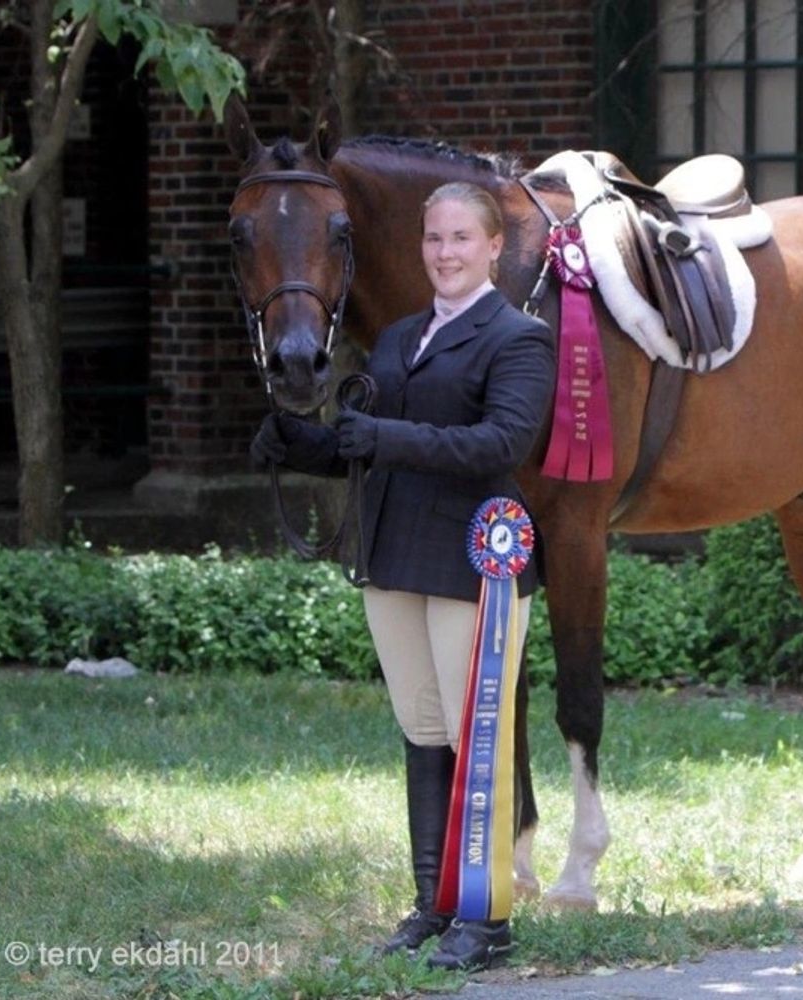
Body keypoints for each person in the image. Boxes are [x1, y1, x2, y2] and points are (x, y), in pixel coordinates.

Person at [251, 181, 556, 971]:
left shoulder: (519, 338)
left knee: (474, 736)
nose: (444, 253)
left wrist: (380, 434)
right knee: (423, 730)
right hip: (392, 555)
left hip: (470, 559)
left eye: (460, 239)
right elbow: (363, 443)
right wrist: (299, 442)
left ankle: (485, 919)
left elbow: (498, 445)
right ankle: (434, 904)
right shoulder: (397, 338)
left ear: (495, 248)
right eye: (433, 239)